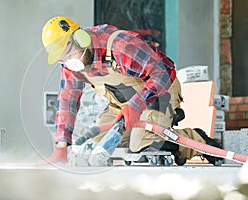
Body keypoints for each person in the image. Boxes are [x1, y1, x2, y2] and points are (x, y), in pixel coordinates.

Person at [41, 16, 223, 165]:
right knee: (98, 144)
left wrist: (137, 104)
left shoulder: (120, 45)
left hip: (158, 95)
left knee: (143, 145)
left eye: (69, 53)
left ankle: (197, 141)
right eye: (62, 59)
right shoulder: (71, 65)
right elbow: (68, 99)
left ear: (81, 39)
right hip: (121, 105)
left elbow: (163, 73)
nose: (68, 62)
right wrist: (61, 145)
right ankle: (152, 133)